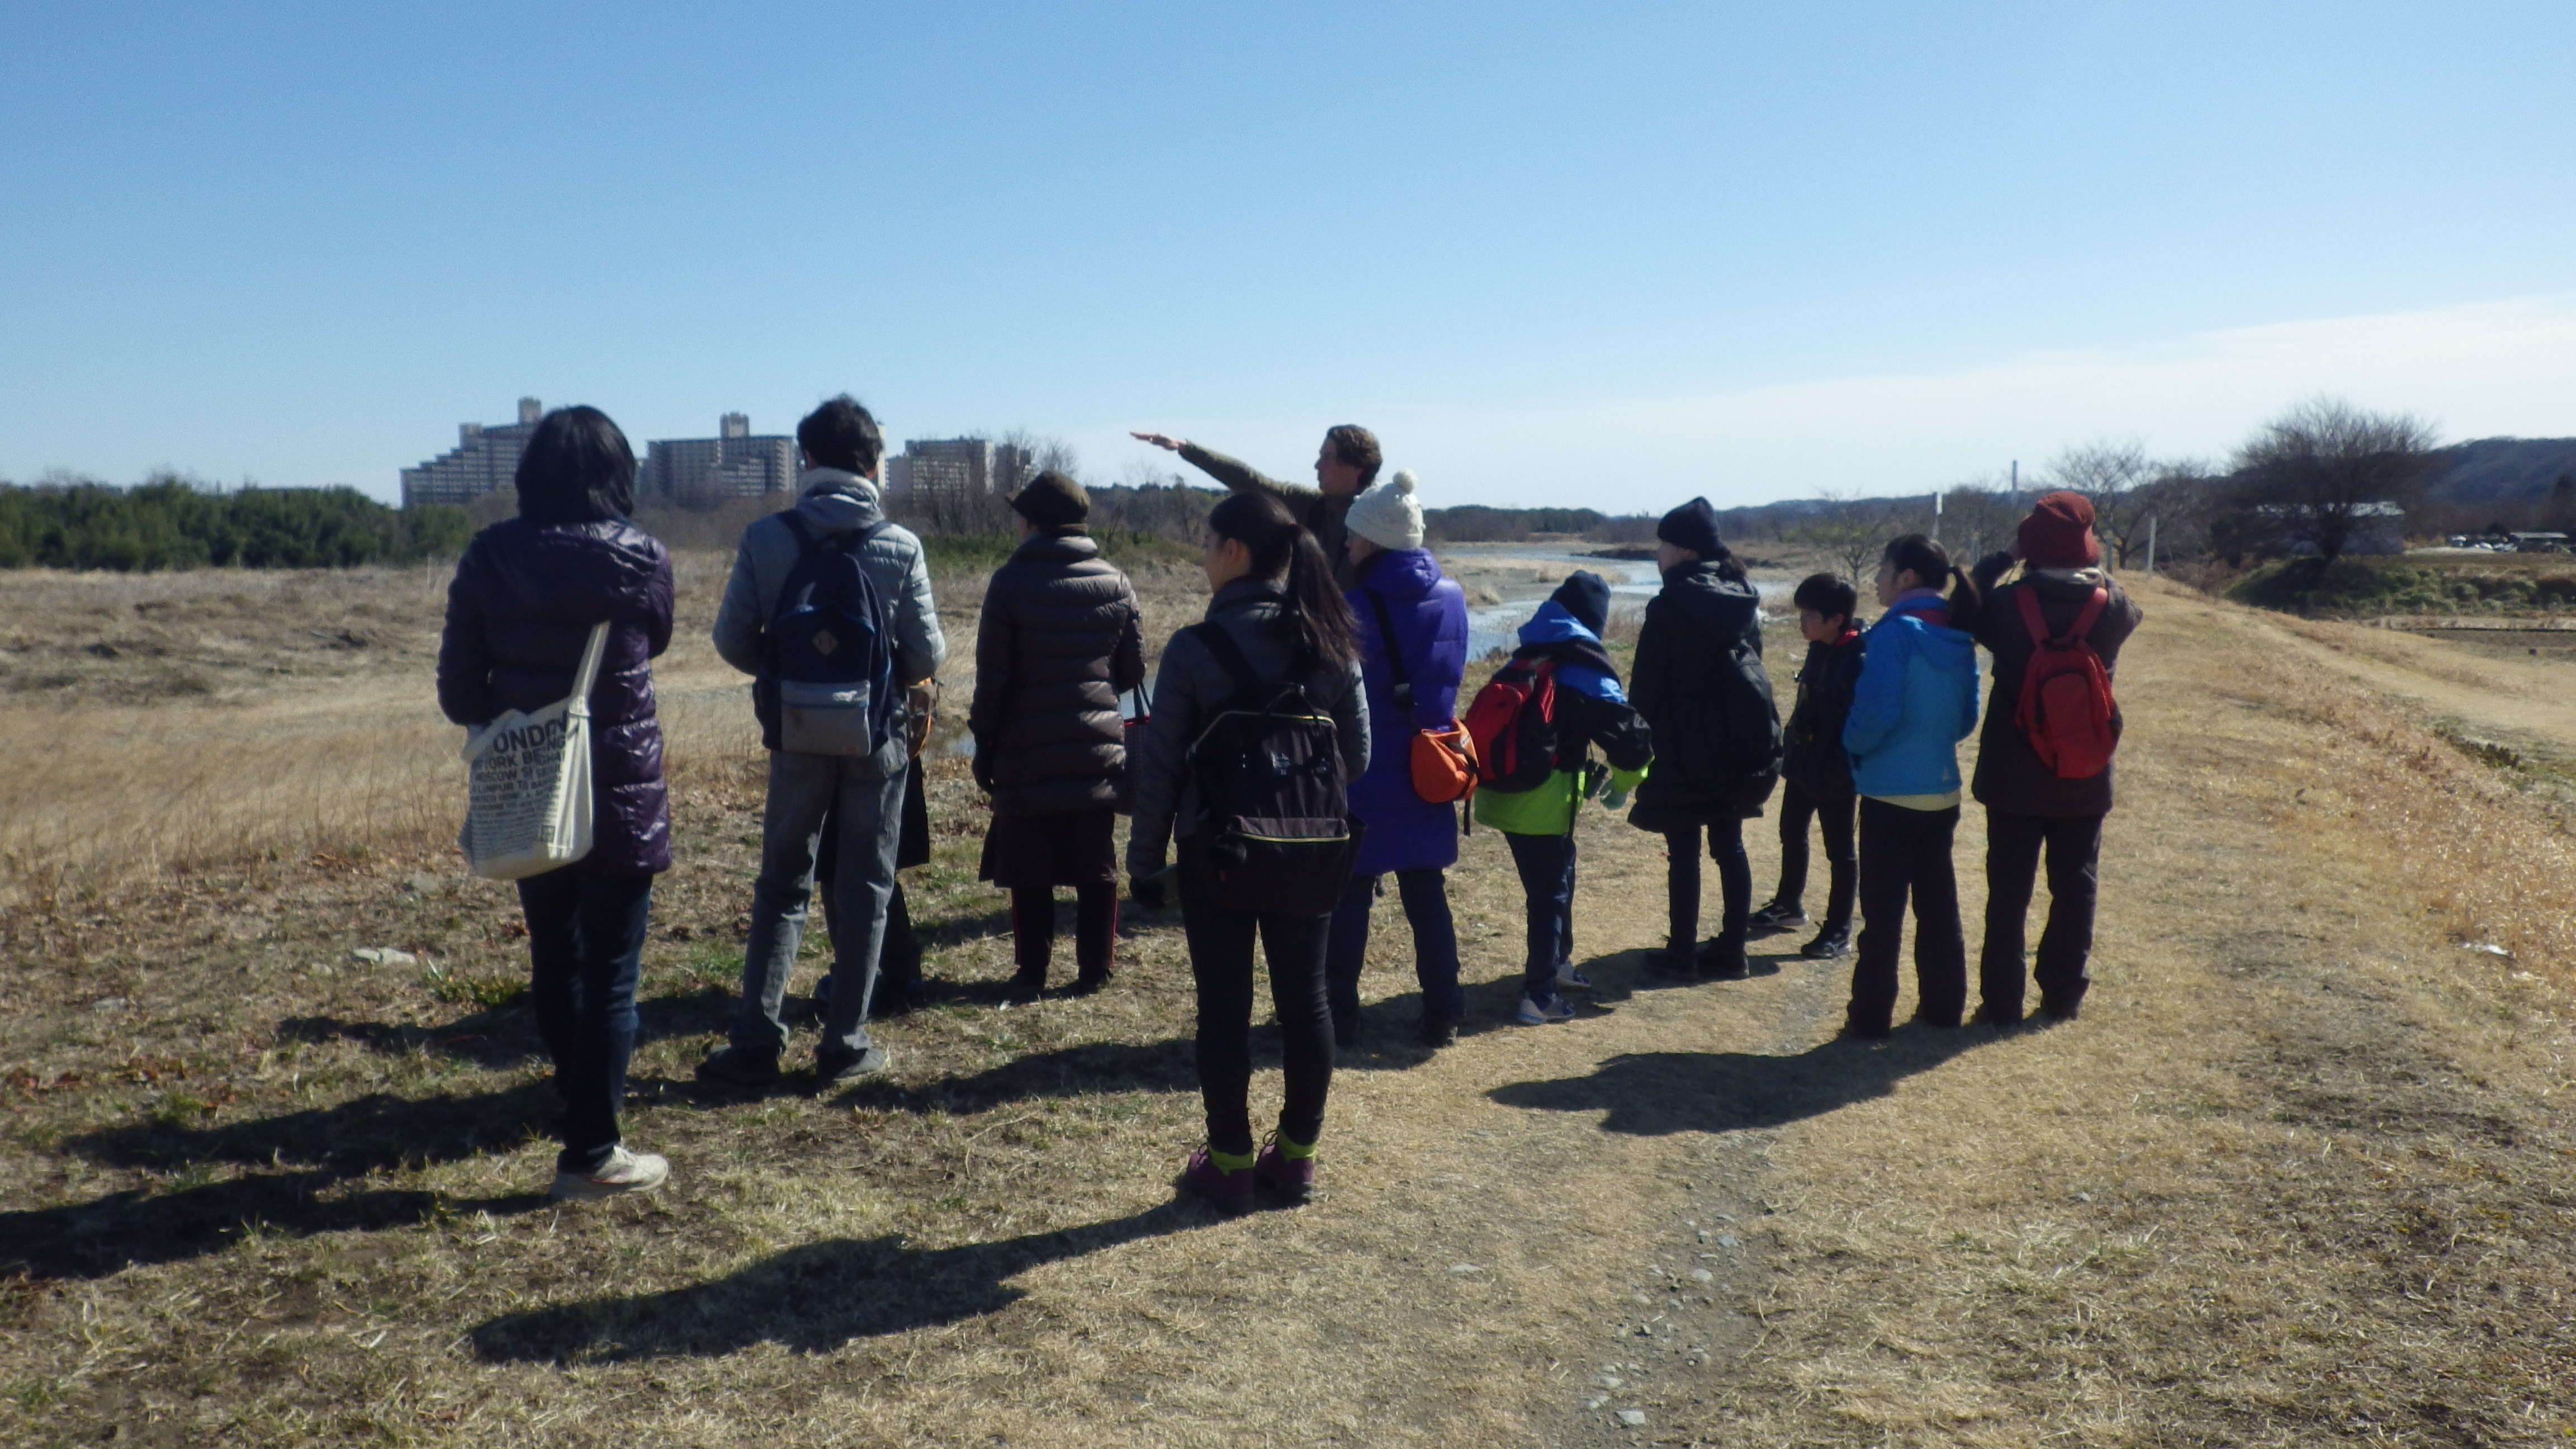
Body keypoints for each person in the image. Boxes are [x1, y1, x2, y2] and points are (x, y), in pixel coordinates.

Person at [435, 405, 675, 1200]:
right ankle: (592, 1151)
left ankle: (577, 1102)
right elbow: (660, 639)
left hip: (529, 785)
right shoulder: (642, 558)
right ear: (619, 475)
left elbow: (459, 690)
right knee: (611, 969)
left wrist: (512, 722)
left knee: (555, 952)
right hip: (622, 785)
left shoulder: (488, 557)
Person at [1126, 491, 1367, 1213]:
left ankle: (1229, 1162)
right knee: (1308, 1004)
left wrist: (1143, 865)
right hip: (1313, 848)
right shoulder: (1331, 639)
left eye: (1207, 544)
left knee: (1224, 1011)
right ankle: (1295, 1161)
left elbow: (1161, 770)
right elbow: (1357, 757)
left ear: (1234, 552)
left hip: (1218, 853)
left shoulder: (1197, 648)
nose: (1203, 558)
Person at [697, 396, 945, 1087]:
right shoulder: (900, 546)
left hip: (798, 732)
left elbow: (731, 640)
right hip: (877, 738)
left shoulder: (766, 538)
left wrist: (789, 677)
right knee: (865, 883)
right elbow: (927, 653)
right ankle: (844, 1042)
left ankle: (754, 1040)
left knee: (782, 882)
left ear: (806, 460)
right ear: (873, 464)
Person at [968, 471, 1147, 996]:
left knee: (1028, 868)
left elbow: (992, 679)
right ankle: (1096, 968)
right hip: (1095, 749)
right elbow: (1134, 670)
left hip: (1025, 752)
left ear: (1032, 522)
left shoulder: (1009, 582)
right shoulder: (1116, 581)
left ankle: (1033, 971)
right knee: (1097, 865)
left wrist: (985, 742)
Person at [1968, 493, 2143, 1026]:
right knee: (2076, 886)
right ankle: (2064, 993)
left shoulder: (2006, 607)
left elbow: (1965, 605)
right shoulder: (2112, 609)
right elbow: (2129, 604)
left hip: (2013, 774)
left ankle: (2001, 1001)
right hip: (2084, 773)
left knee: (2009, 892)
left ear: (2030, 547)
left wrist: (2003, 557)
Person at [1326, 469, 1470, 1049]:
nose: (1346, 543)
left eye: (1355, 536)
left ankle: (1339, 1017)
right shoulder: (1455, 598)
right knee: (1426, 892)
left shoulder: (1351, 606)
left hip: (1365, 770)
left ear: (1378, 540)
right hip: (1427, 764)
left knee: (1350, 894)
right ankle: (1444, 1013)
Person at [1472, 572, 1654, 1026]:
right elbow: (1631, 738)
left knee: (1559, 878)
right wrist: (1627, 784)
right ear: (1594, 621)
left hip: (1500, 794)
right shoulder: (1582, 666)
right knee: (1549, 895)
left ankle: (1558, 963)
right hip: (1544, 802)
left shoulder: (1528, 653)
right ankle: (1539, 996)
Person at [1627, 498, 1782, 981]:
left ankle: (1682, 954)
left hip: (1681, 743)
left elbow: (1647, 686)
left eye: (1664, 544)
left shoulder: (1670, 604)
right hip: (1737, 740)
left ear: (1685, 550)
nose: (1658, 553)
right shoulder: (1741, 592)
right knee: (1729, 844)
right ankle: (1734, 952)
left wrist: (1635, 741)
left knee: (1685, 851)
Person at [1839, 534, 1981, 1039]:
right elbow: (1967, 719)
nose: (1875, 579)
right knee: (1938, 905)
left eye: (1882, 569)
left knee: (1883, 913)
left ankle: (1871, 1017)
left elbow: (1875, 714)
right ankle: (1944, 1007)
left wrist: (1851, 745)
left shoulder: (1895, 634)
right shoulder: (1960, 633)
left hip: (1889, 793)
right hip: (1941, 790)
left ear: (1907, 578)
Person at [1749, 573, 1868, 959]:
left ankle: (1838, 929)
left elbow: (1854, 723)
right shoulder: (1819, 647)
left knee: (1841, 852)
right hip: (1803, 762)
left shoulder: (1859, 657)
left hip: (1836, 771)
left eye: (1810, 614)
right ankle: (1789, 905)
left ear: (1837, 619)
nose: (1802, 621)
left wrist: (1839, 765)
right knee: (1791, 832)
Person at [1130, 424, 1382, 588]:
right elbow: (1252, 482)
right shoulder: (1315, 506)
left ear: (1356, 467)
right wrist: (1187, 449)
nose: (1317, 466)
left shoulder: (1385, 521)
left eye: (1327, 458)